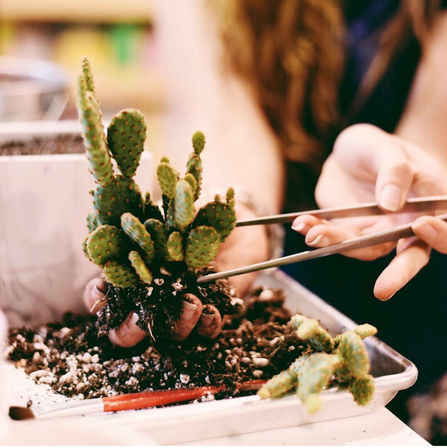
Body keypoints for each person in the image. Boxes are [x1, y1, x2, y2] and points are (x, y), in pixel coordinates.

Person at [85, 0, 447, 421]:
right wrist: (238, 213)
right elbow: (230, 120)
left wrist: (404, 173)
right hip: (280, 295)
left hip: (417, 276)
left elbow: (434, 125)